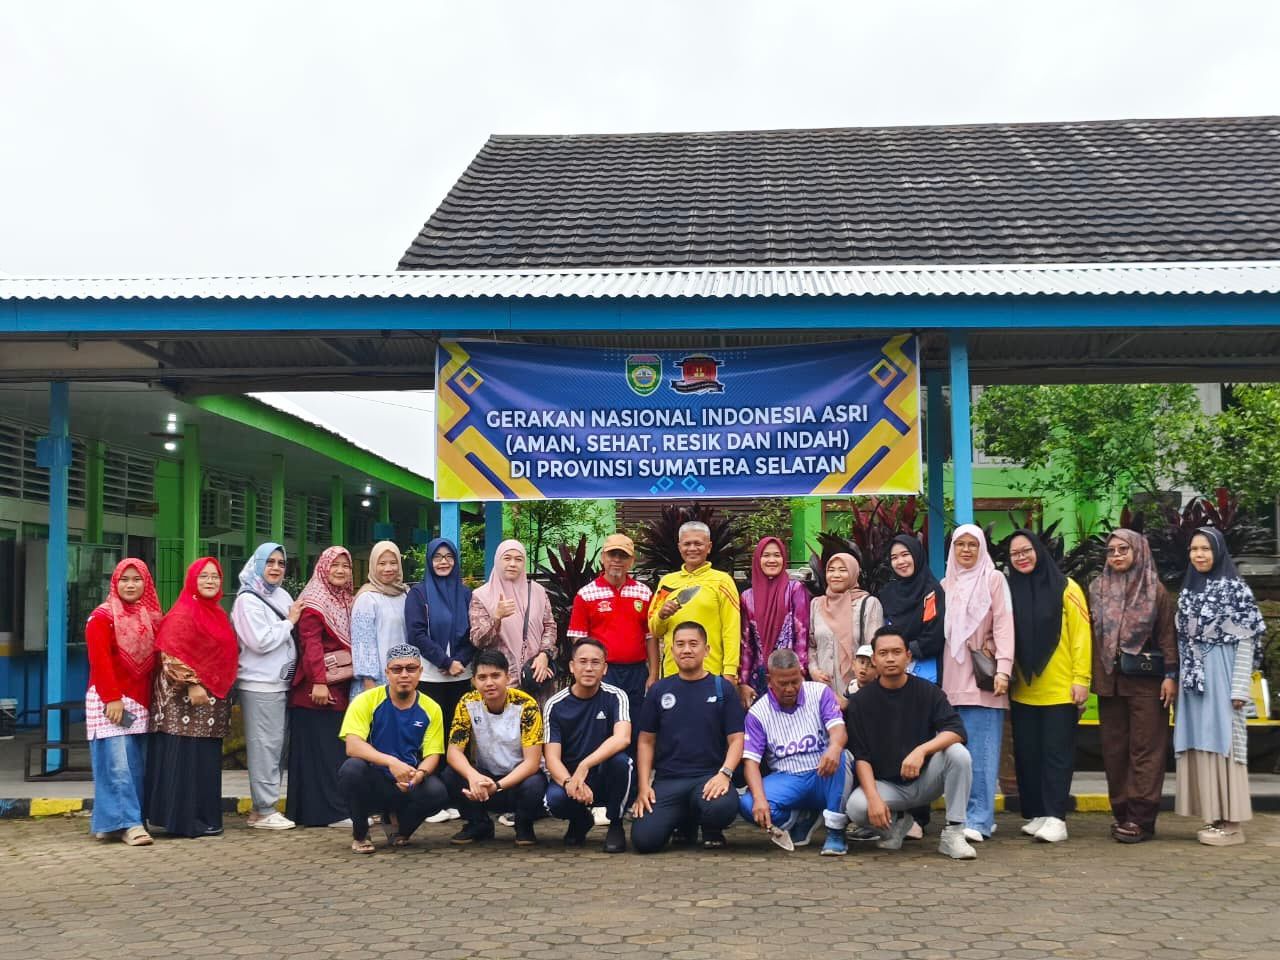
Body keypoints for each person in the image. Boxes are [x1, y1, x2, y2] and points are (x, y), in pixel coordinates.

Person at [843, 626, 977, 860]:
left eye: (896, 652)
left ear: (908, 656)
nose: (890, 658)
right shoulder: (860, 702)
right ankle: (896, 825)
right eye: (883, 653)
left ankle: (954, 833)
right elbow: (861, 757)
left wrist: (922, 751)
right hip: (887, 786)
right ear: (874, 660)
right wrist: (873, 799)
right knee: (857, 807)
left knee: (958, 754)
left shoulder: (928, 691)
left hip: (926, 779)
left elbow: (956, 730)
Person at [1173, 527, 1265, 846]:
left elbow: (1247, 641)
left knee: (1226, 744)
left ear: (1219, 551)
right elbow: (1183, 641)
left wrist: (1240, 688)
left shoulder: (1235, 590)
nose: (1199, 555)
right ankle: (1214, 817)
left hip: (1223, 677)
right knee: (1202, 743)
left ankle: (1233, 824)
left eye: (1206, 549)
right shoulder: (1188, 591)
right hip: (1195, 682)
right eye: (1193, 549)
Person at [1089, 528, 1178, 843]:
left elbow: (1167, 636)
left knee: (1146, 750)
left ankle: (1141, 818)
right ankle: (1122, 813)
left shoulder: (1155, 590)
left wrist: (1171, 675)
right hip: (1109, 681)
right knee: (1114, 751)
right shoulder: (1097, 588)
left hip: (1146, 683)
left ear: (1138, 551)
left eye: (1123, 549)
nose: (1116, 555)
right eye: (1111, 550)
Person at [1006, 529, 1091, 844]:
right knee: (1028, 755)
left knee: (1056, 755)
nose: (1022, 558)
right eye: (1015, 554)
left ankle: (1057, 817)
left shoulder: (1067, 587)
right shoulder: (1009, 591)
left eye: (1026, 550)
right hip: (1023, 690)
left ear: (1039, 551)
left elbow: (1081, 636)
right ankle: (1039, 813)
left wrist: (1081, 679)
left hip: (1060, 689)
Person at [632, 622, 745, 854]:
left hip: (708, 777)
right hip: (668, 780)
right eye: (680, 644)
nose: (686, 650)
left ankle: (710, 827)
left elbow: (737, 739)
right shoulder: (659, 690)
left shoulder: (722, 688)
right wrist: (643, 787)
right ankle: (684, 823)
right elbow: (645, 741)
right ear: (672, 650)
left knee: (721, 808)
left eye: (693, 644)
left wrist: (724, 774)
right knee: (644, 840)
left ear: (706, 650)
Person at [145, 557, 239, 838]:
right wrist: (192, 684)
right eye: (204, 576)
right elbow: (170, 652)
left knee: (204, 762)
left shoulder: (217, 613)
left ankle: (205, 818)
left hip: (211, 706)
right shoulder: (183, 612)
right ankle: (182, 821)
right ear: (192, 580)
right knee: (184, 760)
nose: (210, 581)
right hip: (182, 704)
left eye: (215, 576)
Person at [940, 524, 1014, 843]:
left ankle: (980, 819)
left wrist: (1003, 670)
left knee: (982, 756)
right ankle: (961, 816)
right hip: (951, 683)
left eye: (973, 544)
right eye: (961, 545)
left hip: (983, 680)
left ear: (982, 548)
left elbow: (1004, 625)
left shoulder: (993, 580)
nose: (966, 550)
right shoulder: (946, 584)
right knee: (957, 756)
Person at [337, 644, 449, 854]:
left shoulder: (431, 708)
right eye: (397, 669)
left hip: (409, 780)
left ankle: (401, 830)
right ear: (387, 673)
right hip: (374, 779)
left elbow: (433, 753)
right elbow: (352, 745)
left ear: (420, 672)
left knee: (437, 792)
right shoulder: (366, 700)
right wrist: (391, 762)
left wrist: (419, 775)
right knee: (351, 769)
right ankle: (360, 834)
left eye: (411, 668)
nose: (404, 675)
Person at [740, 648, 852, 856]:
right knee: (748, 803)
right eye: (783, 683)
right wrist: (760, 799)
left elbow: (838, 729)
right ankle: (802, 818)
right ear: (769, 680)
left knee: (842, 757)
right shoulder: (757, 713)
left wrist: (835, 747)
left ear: (801, 674)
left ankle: (835, 833)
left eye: (795, 681)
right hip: (788, 778)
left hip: (823, 774)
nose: (790, 688)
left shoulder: (820, 692)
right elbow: (751, 763)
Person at [85, 558, 162, 846]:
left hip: (140, 703)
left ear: (146, 583)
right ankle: (129, 824)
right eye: (124, 580)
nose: (130, 585)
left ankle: (110, 822)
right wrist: (112, 698)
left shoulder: (150, 617)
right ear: (115, 583)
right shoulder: (102, 617)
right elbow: (100, 661)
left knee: (134, 765)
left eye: (137, 579)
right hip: (112, 701)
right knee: (117, 764)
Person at [231, 542, 303, 831]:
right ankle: (264, 809)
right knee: (264, 747)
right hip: (260, 684)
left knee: (276, 748)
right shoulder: (247, 600)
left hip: (281, 684)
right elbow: (259, 641)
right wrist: (289, 622)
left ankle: (262, 808)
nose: (275, 568)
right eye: (270, 562)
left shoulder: (281, 594)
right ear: (258, 564)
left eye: (281, 563)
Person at [442, 649, 547, 846]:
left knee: (535, 784)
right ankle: (478, 823)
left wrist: (497, 787)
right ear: (473, 681)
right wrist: (473, 777)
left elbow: (532, 763)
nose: (489, 683)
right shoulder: (467, 703)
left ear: (507, 677)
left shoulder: (527, 705)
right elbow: (454, 753)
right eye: (482, 677)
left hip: (518, 779)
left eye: (495, 676)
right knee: (451, 773)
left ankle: (524, 825)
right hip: (485, 776)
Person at [877, 534, 944, 838]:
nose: (901, 561)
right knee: (892, 741)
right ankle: (898, 813)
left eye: (905, 555)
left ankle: (919, 816)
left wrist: (906, 653)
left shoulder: (931, 592)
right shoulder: (887, 594)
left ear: (917, 555)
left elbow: (934, 635)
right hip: (890, 677)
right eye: (894, 557)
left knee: (919, 740)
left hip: (922, 675)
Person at [543, 637, 633, 853]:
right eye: (583, 662)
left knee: (622, 763)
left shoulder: (616, 696)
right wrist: (569, 782)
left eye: (595, 662)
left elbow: (623, 738)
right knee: (553, 801)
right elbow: (552, 757)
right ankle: (580, 819)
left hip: (604, 774)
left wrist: (586, 765)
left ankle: (616, 823)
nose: (589, 668)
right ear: (572, 666)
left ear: (605, 668)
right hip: (572, 776)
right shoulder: (555, 704)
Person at [286, 546, 355, 828]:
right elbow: (310, 643)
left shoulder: (345, 600)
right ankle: (332, 812)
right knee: (324, 754)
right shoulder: (315, 600)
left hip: (337, 685)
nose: (340, 570)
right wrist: (319, 681)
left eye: (345, 566)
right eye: (334, 565)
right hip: (316, 690)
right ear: (323, 568)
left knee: (327, 751)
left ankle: (315, 812)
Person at [567, 533, 657, 742]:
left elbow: (651, 636)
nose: (617, 560)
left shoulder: (644, 593)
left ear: (632, 561)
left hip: (637, 673)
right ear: (602, 558)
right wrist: (588, 671)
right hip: (604, 672)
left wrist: (653, 674)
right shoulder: (585, 594)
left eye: (623, 556)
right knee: (602, 724)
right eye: (612, 554)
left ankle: (633, 763)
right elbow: (578, 640)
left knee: (636, 723)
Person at [648, 521, 741, 687]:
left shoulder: (722, 581)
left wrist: (730, 672)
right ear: (679, 547)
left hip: (711, 673)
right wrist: (661, 615)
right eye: (687, 544)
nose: (692, 548)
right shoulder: (667, 582)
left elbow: (731, 629)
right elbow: (655, 630)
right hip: (672, 673)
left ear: (709, 547)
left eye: (698, 543)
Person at [406, 537, 475, 747]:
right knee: (431, 736)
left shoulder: (466, 594)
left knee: (458, 735)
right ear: (429, 560)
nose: (443, 561)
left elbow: (474, 633)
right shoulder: (418, 594)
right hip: (430, 677)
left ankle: (457, 769)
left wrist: (459, 661)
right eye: (437, 557)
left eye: (448, 556)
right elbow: (416, 634)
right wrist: (445, 662)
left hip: (461, 675)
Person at [470, 539, 557, 700]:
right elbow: (478, 640)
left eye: (518, 559)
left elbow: (550, 626)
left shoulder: (537, 592)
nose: (512, 564)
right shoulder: (481, 596)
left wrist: (544, 655)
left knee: (537, 715)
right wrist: (496, 617)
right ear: (498, 560)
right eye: (507, 558)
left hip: (537, 673)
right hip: (502, 678)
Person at [739, 536, 810, 709]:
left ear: (784, 559)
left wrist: (800, 672)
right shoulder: (747, 597)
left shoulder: (794, 590)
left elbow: (802, 633)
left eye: (777, 555)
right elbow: (746, 644)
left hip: (789, 675)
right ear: (758, 560)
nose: (772, 560)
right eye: (766, 555)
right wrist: (743, 682)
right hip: (759, 678)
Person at [809, 552, 883, 708]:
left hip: (858, 693)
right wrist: (814, 670)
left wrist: (852, 693)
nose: (836, 575)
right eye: (831, 570)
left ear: (854, 573)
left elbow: (873, 650)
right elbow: (811, 645)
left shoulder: (868, 604)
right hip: (823, 691)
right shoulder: (817, 604)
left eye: (843, 570)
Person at [351, 540, 410, 695]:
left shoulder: (405, 594)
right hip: (376, 681)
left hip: (404, 677)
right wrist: (369, 680)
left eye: (393, 563)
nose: (388, 569)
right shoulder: (367, 598)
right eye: (382, 563)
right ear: (373, 565)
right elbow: (363, 642)